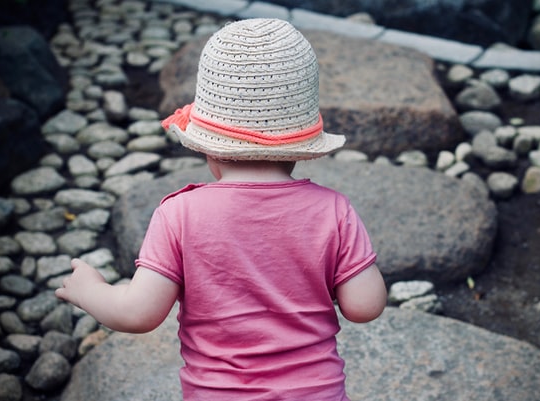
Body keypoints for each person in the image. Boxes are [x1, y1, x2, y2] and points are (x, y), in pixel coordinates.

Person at [55, 18, 387, 400]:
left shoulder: (179, 214)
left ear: (208, 146)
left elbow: (137, 314)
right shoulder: (334, 210)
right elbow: (365, 306)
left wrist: (89, 290)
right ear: (301, 146)